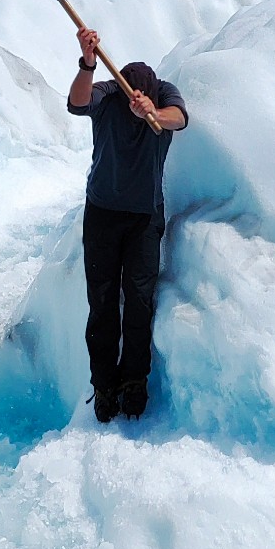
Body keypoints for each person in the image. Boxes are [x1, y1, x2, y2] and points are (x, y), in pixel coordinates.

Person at [66, 31, 188, 423]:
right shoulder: (108, 94)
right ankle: (104, 385)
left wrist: (153, 112)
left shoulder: (165, 93)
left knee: (139, 301)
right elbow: (76, 102)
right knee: (101, 304)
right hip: (101, 213)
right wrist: (87, 62)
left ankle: (134, 380)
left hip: (144, 218)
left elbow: (180, 119)